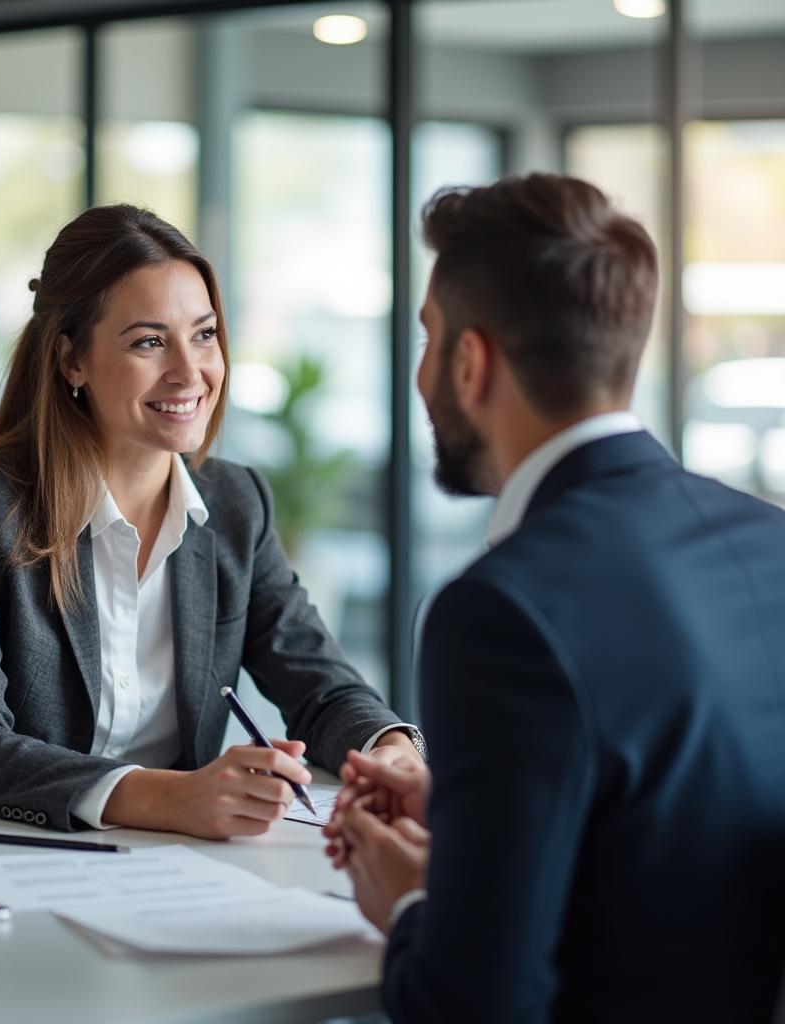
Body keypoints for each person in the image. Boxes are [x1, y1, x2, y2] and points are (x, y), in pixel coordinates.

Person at [323, 173, 785, 1022]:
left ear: (471, 362)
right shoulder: (770, 539)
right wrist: (473, 814)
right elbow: (676, 829)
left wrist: (407, 904)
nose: (420, 374)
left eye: (427, 340)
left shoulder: (501, 610)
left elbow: (478, 1005)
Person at [0, 204, 424, 838]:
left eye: (204, 334)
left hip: (159, 870)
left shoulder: (235, 505)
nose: (190, 372)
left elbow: (322, 686)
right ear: (71, 361)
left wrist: (390, 748)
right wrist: (169, 799)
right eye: (148, 342)